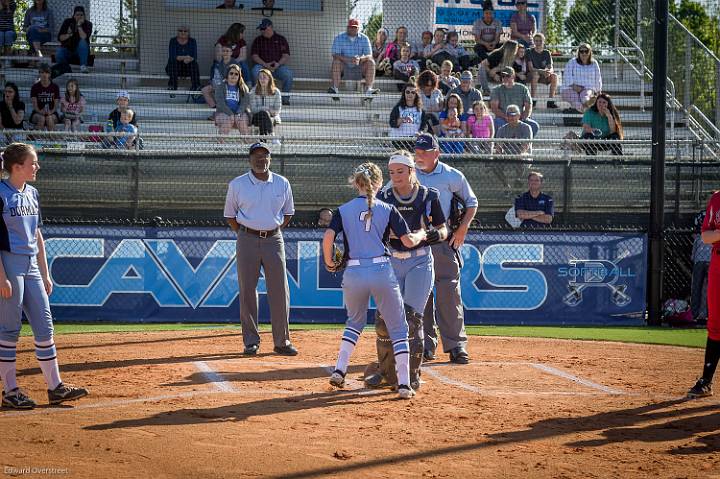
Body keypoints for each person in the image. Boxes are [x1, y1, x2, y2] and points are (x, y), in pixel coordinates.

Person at [322, 162, 426, 399]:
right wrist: (421, 233)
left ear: (356, 183)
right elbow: (408, 242)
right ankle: (403, 385)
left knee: (354, 322)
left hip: (354, 272)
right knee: (399, 329)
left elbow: (328, 237)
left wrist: (329, 262)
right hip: (380, 270)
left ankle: (340, 369)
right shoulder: (387, 208)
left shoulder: (343, 209)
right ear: (379, 183)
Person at [0, 142, 89, 409]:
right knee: (9, 330)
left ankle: (55, 387)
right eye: (32, 163)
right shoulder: (1, 193)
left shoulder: (33, 193)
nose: (37, 166)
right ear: (17, 167)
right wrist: (1, 275)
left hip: (32, 267)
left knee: (45, 326)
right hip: (9, 263)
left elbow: (38, 234)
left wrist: (46, 272)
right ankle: (10, 390)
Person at [364, 151, 448, 391]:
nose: (396, 176)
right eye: (392, 172)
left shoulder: (428, 196)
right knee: (385, 320)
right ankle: (386, 371)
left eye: (401, 171)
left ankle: (411, 374)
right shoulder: (384, 196)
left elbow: (443, 230)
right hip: (391, 261)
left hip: (419, 261)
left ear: (412, 171)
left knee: (411, 319)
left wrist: (425, 234)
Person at [224, 142, 298, 357]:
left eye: (265, 156)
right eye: (256, 156)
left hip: (274, 240)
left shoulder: (282, 183)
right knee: (247, 289)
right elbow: (230, 216)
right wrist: (247, 232)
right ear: (249, 159)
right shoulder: (237, 184)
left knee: (279, 290)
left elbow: (288, 213)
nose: (261, 159)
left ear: (270, 159)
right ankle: (250, 341)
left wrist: (270, 230)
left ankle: (282, 341)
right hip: (246, 238)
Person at [414, 133, 478, 364]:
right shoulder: (407, 173)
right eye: (417, 152)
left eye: (424, 152)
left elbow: (472, 202)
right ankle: (424, 346)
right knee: (422, 295)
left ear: (436, 153)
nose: (419, 156)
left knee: (449, 292)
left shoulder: (452, 175)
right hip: (416, 243)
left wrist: (462, 230)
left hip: (444, 240)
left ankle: (456, 345)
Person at [686, 190, 720, 398]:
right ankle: (706, 380)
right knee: (715, 323)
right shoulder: (717, 198)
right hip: (718, 261)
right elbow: (706, 236)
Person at [328, 18, 378, 98]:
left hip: (359, 68)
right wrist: (348, 59)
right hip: (344, 69)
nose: (352, 29)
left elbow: (369, 55)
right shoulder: (339, 38)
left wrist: (360, 59)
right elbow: (335, 54)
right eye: (350, 27)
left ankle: (369, 90)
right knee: (336, 61)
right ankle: (335, 89)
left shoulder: (364, 38)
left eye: (354, 27)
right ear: (347, 27)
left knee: (371, 62)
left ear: (358, 28)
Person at [251, 19, 292, 105]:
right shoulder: (258, 40)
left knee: (288, 74)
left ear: (270, 27)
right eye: (261, 29)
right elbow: (254, 56)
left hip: (278, 67)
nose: (262, 31)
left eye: (263, 29)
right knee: (255, 71)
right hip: (263, 67)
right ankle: (258, 97)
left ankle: (285, 99)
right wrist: (265, 64)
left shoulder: (281, 39)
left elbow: (286, 55)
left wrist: (278, 64)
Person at [490, 66, 538, 136]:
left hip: (519, 118)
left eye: (508, 76)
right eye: (503, 76)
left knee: (534, 125)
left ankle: (524, 144)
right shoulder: (496, 90)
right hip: (503, 118)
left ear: (513, 76)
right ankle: (501, 144)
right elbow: (494, 108)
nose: (505, 78)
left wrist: (520, 119)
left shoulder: (523, 88)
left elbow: (528, 107)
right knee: (496, 123)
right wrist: (507, 118)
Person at [561, 43, 602, 113]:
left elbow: (598, 78)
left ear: (590, 52)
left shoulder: (594, 63)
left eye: (586, 51)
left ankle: (588, 102)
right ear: (578, 52)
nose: (584, 53)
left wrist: (598, 91)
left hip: (587, 88)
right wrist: (574, 86)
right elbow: (566, 76)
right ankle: (585, 109)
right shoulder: (572, 62)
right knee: (575, 99)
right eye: (581, 51)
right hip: (570, 88)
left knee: (586, 97)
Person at [202, 45, 240, 119]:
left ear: (231, 53)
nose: (225, 53)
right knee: (205, 90)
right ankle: (215, 109)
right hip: (218, 84)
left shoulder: (235, 64)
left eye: (227, 51)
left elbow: (236, 78)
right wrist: (212, 83)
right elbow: (215, 76)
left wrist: (221, 85)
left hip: (231, 86)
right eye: (223, 51)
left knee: (221, 92)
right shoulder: (219, 63)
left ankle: (217, 114)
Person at [214, 64, 250, 136]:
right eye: (231, 73)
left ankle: (247, 144)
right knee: (228, 120)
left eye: (236, 74)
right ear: (227, 74)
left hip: (240, 113)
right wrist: (230, 114)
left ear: (239, 76)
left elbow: (244, 103)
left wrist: (238, 113)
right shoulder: (220, 87)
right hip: (223, 113)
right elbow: (220, 104)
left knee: (241, 121)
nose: (233, 75)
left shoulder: (244, 88)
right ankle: (220, 145)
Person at [56, 6, 92, 73]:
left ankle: (83, 66)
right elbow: (60, 38)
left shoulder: (88, 24)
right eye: (77, 15)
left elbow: (84, 37)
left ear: (84, 16)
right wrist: (69, 34)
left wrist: (79, 26)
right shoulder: (67, 22)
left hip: (80, 52)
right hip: (68, 49)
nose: (79, 16)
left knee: (83, 42)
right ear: (74, 15)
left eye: (81, 15)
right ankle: (64, 67)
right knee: (59, 52)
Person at [527, 33, 558, 108]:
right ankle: (533, 100)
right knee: (536, 75)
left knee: (554, 76)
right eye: (536, 41)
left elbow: (550, 67)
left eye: (540, 41)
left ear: (543, 41)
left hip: (544, 75)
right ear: (533, 41)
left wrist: (548, 72)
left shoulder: (547, 52)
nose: (538, 43)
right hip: (531, 75)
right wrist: (542, 71)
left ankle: (551, 101)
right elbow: (531, 68)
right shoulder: (529, 51)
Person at [248, 68, 281, 137]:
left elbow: (277, 109)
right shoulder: (253, 91)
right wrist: (267, 109)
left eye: (264, 77)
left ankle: (263, 143)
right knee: (264, 114)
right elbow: (253, 109)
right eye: (260, 77)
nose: (262, 79)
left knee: (263, 120)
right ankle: (272, 134)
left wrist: (272, 112)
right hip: (256, 117)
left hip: (272, 117)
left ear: (269, 79)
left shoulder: (276, 92)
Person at [166, 26, 200, 92]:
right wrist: (186, 57)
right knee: (173, 62)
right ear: (177, 32)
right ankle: (172, 86)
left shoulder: (192, 41)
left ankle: (196, 86)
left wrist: (188, 59)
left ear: (188, 33)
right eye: (180, 31)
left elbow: (194, 56)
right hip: (174, 68)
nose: (183, 32)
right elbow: (173, 56)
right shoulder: (173, 41)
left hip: (187, 69)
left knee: (194, 64)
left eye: (185, 31)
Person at [691, 210, 711, 324]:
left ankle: (699, 314)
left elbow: (693, 256)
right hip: (706, 260)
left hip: (703, 260)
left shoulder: (700, 237)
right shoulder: (702, 236)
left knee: (700, 287)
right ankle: (699, 313)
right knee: (701, 287)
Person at [30, 64, 60, 131]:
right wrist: (40, 111)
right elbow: (35, 106)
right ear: (39, 74)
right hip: (37, 112)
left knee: (49, 118)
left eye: (46, 72)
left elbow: (56, 105)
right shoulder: (35, 87)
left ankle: (51, 140)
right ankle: (38, 140)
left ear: (49, 74)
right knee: (42, 118)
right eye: (42, 72)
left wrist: (50, 112)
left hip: (52, 113)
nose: (44, 74)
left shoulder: (55, 87)